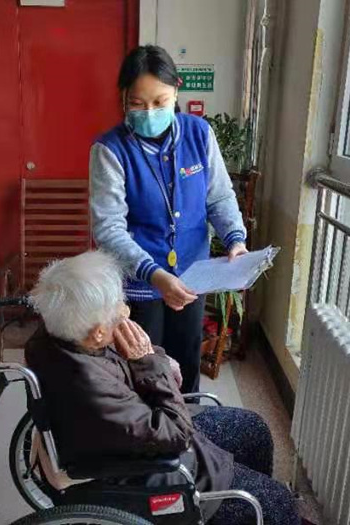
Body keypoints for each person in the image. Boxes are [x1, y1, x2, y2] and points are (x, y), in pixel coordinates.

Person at [25, 251, 300, 525]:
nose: (125, 309)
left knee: (253, 429)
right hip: (153, 466)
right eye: (119, 303)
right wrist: (148, 362)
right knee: (278, 504)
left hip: (137, 427)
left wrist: (146, 356)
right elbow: (177, 433)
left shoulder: (60, 333)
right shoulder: (91, 388)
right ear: (97, 333)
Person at [90, 45, 248, 394]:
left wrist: (235, 239)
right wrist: (155, 274)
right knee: (144, 368)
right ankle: (148, 426)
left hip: (192, 276)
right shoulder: (110, 150)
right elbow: (108, 228)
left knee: (186, 360)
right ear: (123, 99)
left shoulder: (199, 134)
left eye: (159, 101)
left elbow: (219, 197)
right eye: (137, 103)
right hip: (140, 281)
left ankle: (188, 422)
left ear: (176, 90)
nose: (149, 112)